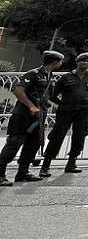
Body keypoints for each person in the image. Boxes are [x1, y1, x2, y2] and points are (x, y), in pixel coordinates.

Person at [0, 51, 64, 186]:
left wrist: (59, 106)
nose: (61, 64)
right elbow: (18, 91)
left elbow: (47, 98)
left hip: (38, 118)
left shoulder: (50, 76)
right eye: (60, 62)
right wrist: (30, 106)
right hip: (23, 116)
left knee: (32, 145)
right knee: (13, 145)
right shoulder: (33, 74)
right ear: (55, 62)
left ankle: (22, 173)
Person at [39, 52, 88, 176]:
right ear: (77, 62)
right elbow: (53, 95)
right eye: (83, 60)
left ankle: (71, 163)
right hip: (65, 111)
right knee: (57, 137)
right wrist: (61, 104)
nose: (86, 63)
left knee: (79, 137)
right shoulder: (66, 77)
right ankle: (45, 166)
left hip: (83, 112)